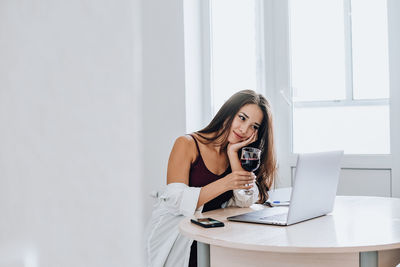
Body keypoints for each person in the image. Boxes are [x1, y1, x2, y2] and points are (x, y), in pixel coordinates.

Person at [146, 90, 277, 267]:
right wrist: (226, 182)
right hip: (178, 236)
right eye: (242, 118)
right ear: (228, 112)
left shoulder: (236, 154)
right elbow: (175, 201)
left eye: (254, 126)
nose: (244, 130)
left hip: (210, 235)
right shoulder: (187, 144)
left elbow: (245, 201)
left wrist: (232, 153)